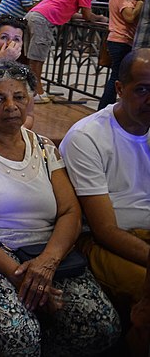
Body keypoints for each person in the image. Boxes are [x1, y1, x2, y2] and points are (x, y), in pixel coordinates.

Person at [0, 60, 120, 356]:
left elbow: (70, 212)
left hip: (44, 250)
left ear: (30, 100)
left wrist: (47, 263)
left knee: (101, 325)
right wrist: (20, 275)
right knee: (18, 333)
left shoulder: (44, 147)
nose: (11, 106)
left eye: (19, 97)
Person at [60, 48, 150, 307]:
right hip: (102, 242)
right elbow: (104, 230)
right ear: (120, 89)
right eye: (142, 90)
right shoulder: (87, 137)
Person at [26, 0, 109, 101]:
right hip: (42, 19)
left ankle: (31, 89)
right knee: (37, 58)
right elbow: (88, 16)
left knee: (32, 57)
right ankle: (36, 92)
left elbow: (71, 13)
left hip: (35, 16)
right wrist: (101, 18)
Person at [99, 0, 148, 109]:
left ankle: (107, 108)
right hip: (121, 40)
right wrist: (140, 3)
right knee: (117, 77)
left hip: (121, 40)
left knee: (118, 76)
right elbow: (130, 17)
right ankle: (104, 109)